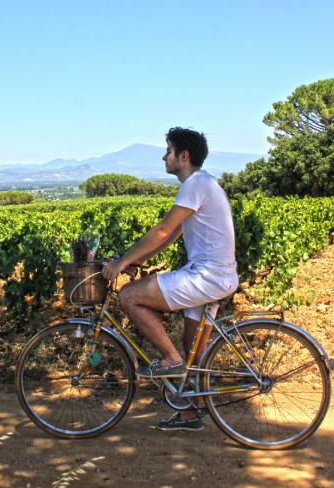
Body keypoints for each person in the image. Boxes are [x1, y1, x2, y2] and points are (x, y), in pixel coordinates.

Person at [102, 127, 239, 431]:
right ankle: (191, 413)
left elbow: (163, 230)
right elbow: (172, 235)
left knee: (129, 296)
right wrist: (136, 260)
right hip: (218, 275)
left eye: (168, 151)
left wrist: (122, 262)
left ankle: (170, 358)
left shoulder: (194, 184)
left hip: (207, 276)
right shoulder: (203, 184)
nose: (164, 157)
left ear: (184, 156)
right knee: (195, 350)